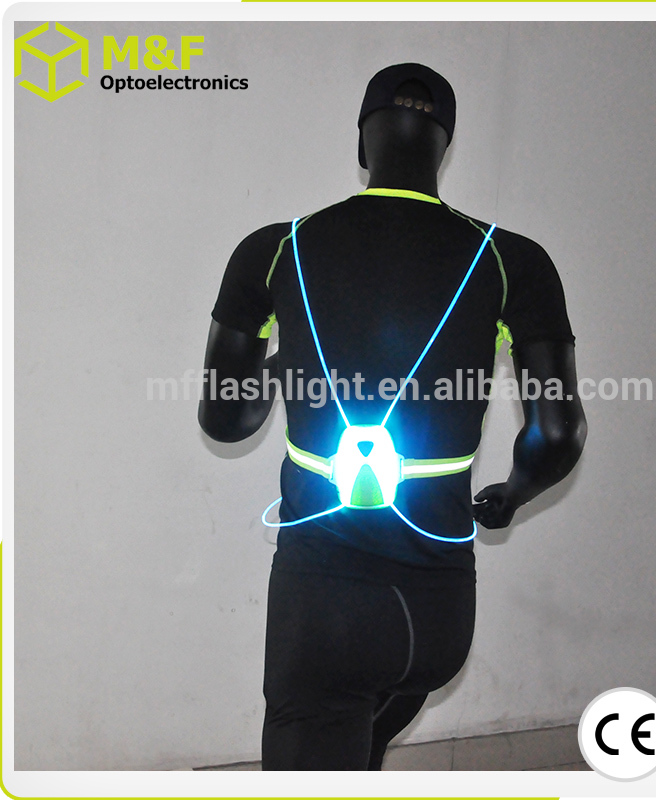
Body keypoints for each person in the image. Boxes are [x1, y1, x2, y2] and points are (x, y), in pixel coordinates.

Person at [199, 63, 587, 771]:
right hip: (437, 609)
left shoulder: (273, 249)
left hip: (323, 607)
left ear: (361, 143)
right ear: (445, 147)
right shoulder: (513, 259)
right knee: (363, 751)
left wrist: (285, 367)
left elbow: (226, 421)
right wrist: (512, 495)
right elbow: (559, 433)